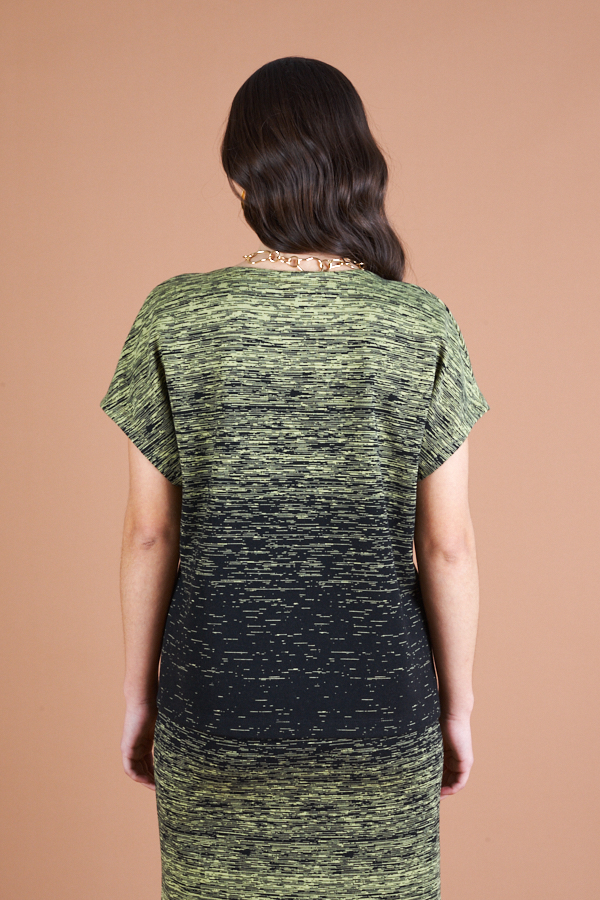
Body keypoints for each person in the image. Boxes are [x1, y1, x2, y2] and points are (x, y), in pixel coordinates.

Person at [101, 56, 490, 900]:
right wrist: (455, 709)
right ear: (359, 167)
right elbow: (448, 547)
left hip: (216, 706)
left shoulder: (175, 315)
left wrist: (139, 699)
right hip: (381, 715)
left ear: (241, 178)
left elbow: (150, 533)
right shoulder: (420, 324)